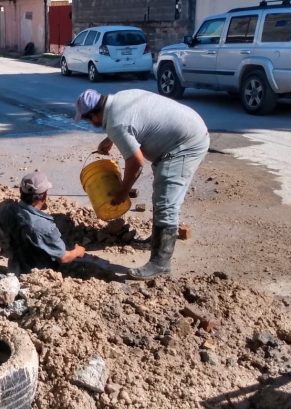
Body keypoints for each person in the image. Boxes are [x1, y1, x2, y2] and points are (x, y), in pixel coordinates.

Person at [74, 88, 209, 280]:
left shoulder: (117, 124)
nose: (91, 124)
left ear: (95, 114)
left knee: (165, 200)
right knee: (163, 193)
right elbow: (133, 122)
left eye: (88, 120)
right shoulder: (118, 99)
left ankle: (160, 264)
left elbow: (136, 162)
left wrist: (123, 191)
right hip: (188, 126)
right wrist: (111, 138)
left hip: (185, 144)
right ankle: (157, 240)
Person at [0, 171, 86, 274]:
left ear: (20, 191)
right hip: (38, 273)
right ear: (44, 195)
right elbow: (64, 258)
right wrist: (78, 251)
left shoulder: (7, 210)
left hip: (16, 265)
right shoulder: (43, 226)